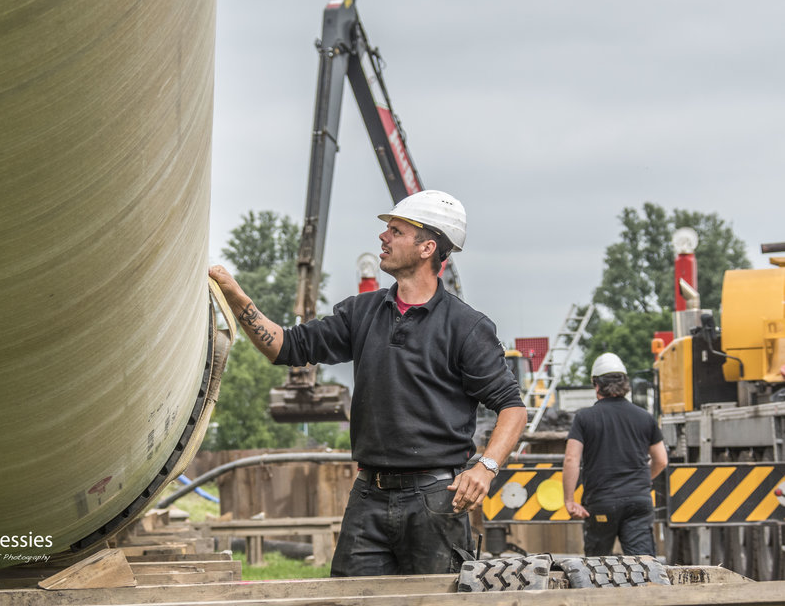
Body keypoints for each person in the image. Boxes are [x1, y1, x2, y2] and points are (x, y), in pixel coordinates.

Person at [210, 190, 527, 576]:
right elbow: (286, 347)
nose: (383, 237)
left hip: (436, 499)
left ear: (428, 247)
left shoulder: (467, 327)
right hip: (368, 495)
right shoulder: (361, 312)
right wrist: (236, 296)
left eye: (396, 230)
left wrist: (486, 467)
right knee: (348, 601)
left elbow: (512, 406)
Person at [562, 352, 668, 556]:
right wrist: (642, 482)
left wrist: (569, 500)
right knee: (644, 566)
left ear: (596, 384)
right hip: (639, 501)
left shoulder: (584, 418)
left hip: (602, 503)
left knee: (596, 567)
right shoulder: (645, 417)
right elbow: (661, 460)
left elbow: (571, 459)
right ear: (625, 383)